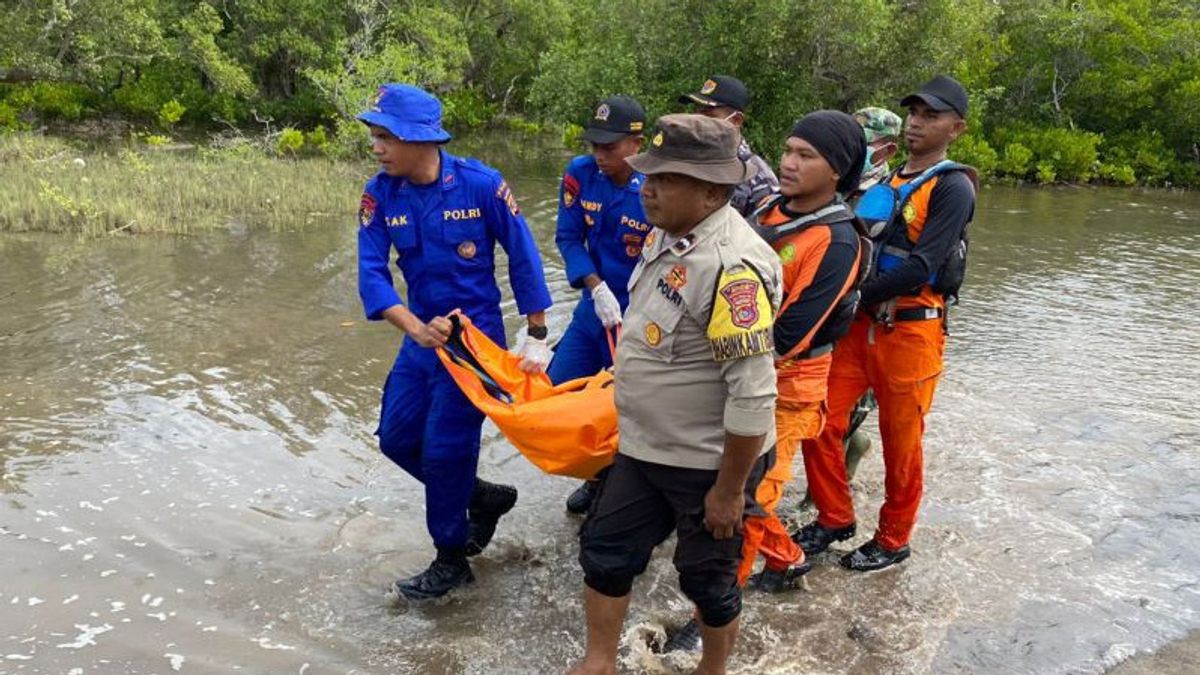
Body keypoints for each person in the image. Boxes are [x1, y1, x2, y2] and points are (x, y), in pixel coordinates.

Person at [568, 114, 782, 675]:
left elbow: (754, 395)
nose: (647, 187)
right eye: (648, 175)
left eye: (664, 179)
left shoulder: (733, 266)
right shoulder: (670, 233)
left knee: (707, 580)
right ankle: (598, 663)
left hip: (708, 461)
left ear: (712, 191)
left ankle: (713, 671)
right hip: (645, 447)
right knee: (606, 552)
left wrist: (730, 491)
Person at [356, 83, 553, 600]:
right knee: (396, 439)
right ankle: (480, 497)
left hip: (474, 340)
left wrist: (535, 333)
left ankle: (451, 560)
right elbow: (372, 273)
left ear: (420, 139)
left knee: (445, 450)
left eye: (385, 136)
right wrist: (413, 328)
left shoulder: (481, 186)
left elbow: (523, 255)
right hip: (418, 335)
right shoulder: (381, 195)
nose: (376, 147)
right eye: (374, 136)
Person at [795, 75, 977, 571]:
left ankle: (894, 539)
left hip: (911, 332)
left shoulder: (953, 186)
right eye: (914, 113)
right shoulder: (891, 178)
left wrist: (846, 298)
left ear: (955, 128)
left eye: (931, 116)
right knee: (819, 419)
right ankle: (834, 517)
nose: (918, 122)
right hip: (859, 327)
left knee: (902, 443)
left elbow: (922, 266)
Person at [737, 110, 868, 593]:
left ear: (837, 170)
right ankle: (787, 558)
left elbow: (788, 337)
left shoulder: (836, 240)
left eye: (805, 155)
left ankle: (711, 614)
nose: (788, 162)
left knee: (748, 497)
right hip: (735, 372)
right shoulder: (768, 208)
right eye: (788, 150)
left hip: (786, 388)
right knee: (724, 490)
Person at [551, 95, 649, 515]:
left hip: (641, 317)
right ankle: (596, 474)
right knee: (559, 390)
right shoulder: (580, 174)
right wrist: (595, 286)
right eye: (594, 145)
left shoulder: (656, 187)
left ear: (636, 144)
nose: (599, 156)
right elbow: (569, 237)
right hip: (595, 306)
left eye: (609, 148)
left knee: (627, 408)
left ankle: (619, 486)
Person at [678, 75, 779, 217]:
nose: (697, 120)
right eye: (696, 111)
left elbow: (762, 233)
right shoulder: (681, 157)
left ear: (736, 120)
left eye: (708, 114)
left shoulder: (757, 175)